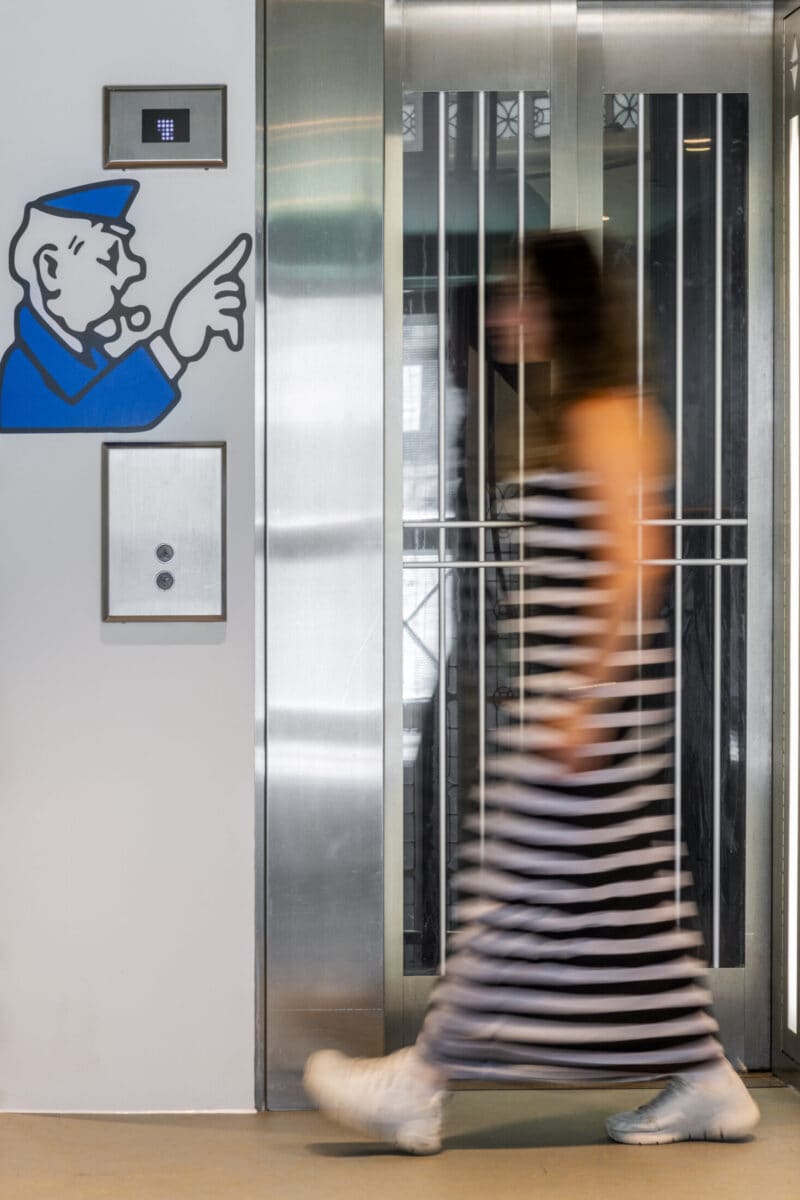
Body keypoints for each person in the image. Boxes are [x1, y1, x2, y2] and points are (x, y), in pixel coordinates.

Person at [304, 231, 760, 1154]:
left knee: (511, 898)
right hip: (584, 706)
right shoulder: (583, 410)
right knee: (622, 903)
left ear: (565, 309)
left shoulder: (604, 416)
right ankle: (709, 1079)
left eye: (521, 297)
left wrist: (582, 700)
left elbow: (637, 567)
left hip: (586, 709)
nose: (504, 312)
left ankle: (423, 1080)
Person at [0, 180, 250, 432]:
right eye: (111, 256)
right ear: (51, 269)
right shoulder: (24, 372)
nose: (135, 268)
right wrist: (174, 346)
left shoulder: (90, 358)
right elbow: (93, 415)